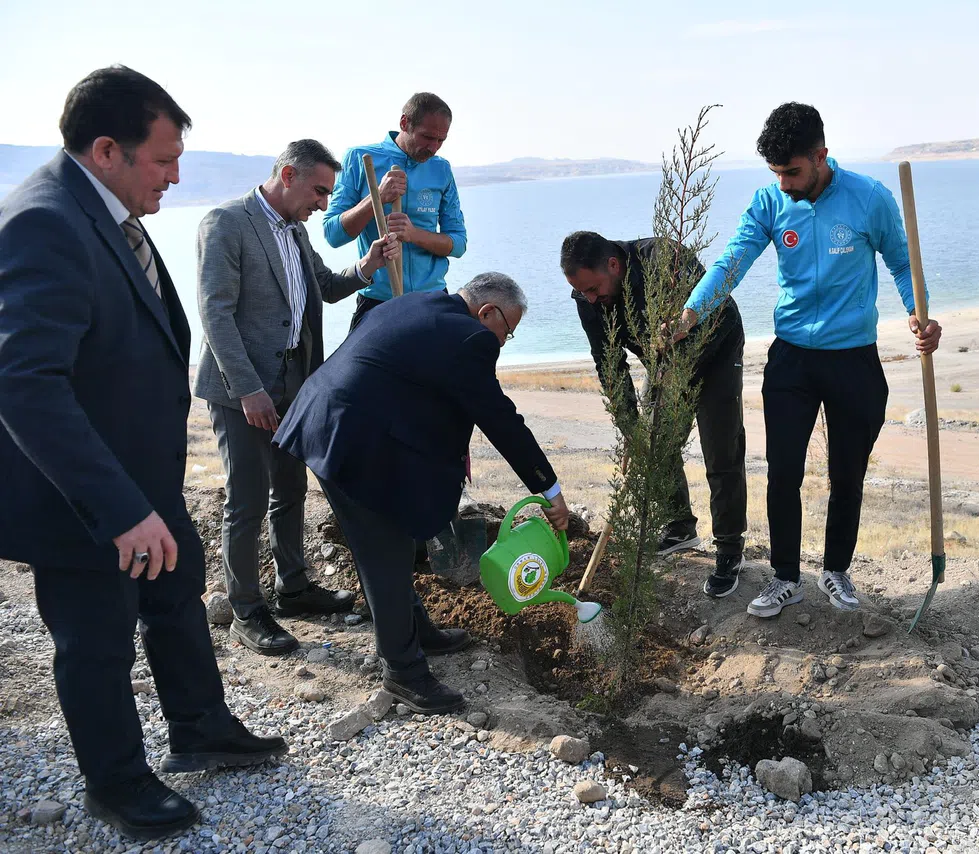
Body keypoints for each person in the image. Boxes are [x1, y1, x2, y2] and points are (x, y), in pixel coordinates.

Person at [0, 66, 285, 841]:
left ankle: (201, 731)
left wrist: (150, 494)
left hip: (144, 476)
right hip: (83, 500)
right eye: (163, 161)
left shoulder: (108, 208)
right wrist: (121, 510)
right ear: (105, 150)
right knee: (95, 642)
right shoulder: (43, 222)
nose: (176, 175)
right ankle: (117, 782)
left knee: (175, 600)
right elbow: (25, 385)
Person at [680, 102, 941, 618]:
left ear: (821, 155)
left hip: (854, 360)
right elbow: (732, 261)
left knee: (847, 474)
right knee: (783, 473)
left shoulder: (869, 198)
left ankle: (836, 572)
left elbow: (902, 263)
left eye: (792, 171)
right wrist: (692, 312)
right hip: (792, 359)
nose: (783, 182)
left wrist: (919, 313)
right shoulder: (769, 202)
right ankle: (784, 578)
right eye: (775, 172)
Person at [274, 273, 569, 713]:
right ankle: (404, 674)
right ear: (487, 312)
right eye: (508, 329)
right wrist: (550, 489)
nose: (504, 341)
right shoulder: (471, 337)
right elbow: (501, 420)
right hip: (351, 440)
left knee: (391, 544)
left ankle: (418, 631)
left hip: (329, 421)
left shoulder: (417, 305)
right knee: (384, 553)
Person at [194, 140, 401, 655]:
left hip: (293, 383)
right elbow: (215, 313)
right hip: (241, 389)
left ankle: (294, 589)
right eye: (320, 190)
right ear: (288, 174)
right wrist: (248, 391)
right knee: (245, 498)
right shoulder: (226, 223)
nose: (325, 203)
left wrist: (369, 264)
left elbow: (325, 287)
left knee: (289, 490)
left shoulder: (296, 229)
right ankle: (246, 608)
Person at [561, 231, 749, 596]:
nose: (590, 298)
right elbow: (609, 361)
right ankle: (679, 528)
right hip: (663, 361)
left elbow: (710, 313)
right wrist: (629, 421)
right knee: (652, 443)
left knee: (720, 448)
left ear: (613, 265)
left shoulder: (665, 258)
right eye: (582, 291)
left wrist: (675, 379)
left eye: (593, 288)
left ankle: (729, 549)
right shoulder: (588, 297)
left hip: (717, 347)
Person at [324, 92, 467, 330]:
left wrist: (413, 234)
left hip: (431, 299)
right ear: (404, 123)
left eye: (441, 140)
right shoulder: (359, 158)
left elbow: (459, 244)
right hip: (377, 301)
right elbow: (333, 234)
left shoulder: (441, 169)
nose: (433, 148)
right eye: (427, 137)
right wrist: (376, 198)